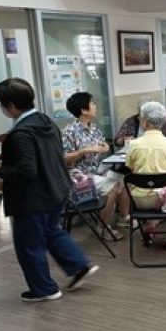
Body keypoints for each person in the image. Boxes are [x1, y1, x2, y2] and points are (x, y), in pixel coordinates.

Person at [0, 78, 99, 302]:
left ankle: (45, 289)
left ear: (11, 105)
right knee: (51, 231)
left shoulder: (21, 133)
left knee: (29, 244)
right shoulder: (45, 121)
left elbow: (26, 170)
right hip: (57, 188)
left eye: (1, 103)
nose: (0, 107)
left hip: (33, 198)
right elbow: (41, 155)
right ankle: (79, 266)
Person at [62, 92, 128, 240]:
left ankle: (123, 218)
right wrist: (84, 150)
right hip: (77, 175)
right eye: (92, 103)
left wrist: (105, 147)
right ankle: (103, 228)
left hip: (95, 170)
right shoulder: (69, 132)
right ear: (83, 110)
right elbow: (64, 159)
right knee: (113, 186)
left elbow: (101, 144)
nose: (95, 106)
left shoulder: (94, 128)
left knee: (124, 179)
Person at [126, 102, 166, 250]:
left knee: (151, 187)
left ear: (145, 122)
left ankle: (150, 229)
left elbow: (131, 168)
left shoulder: (133, 145)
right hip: (165, 201)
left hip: (139, 200)